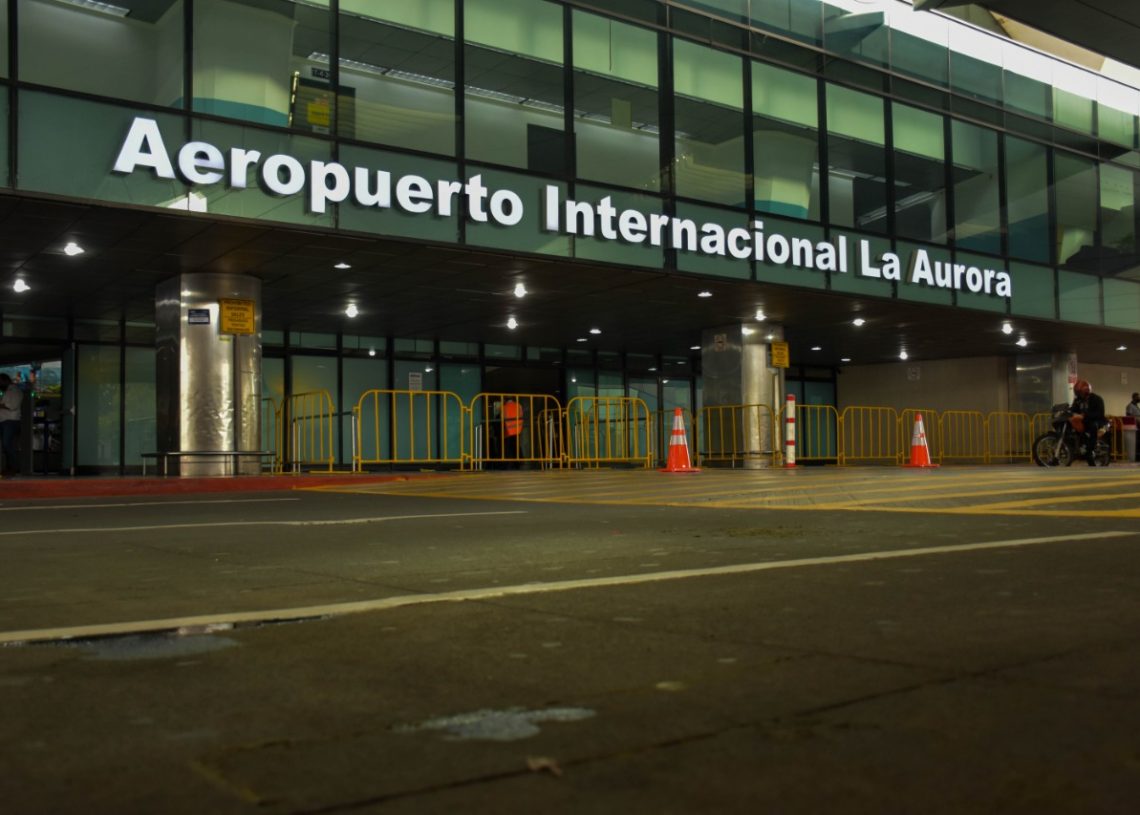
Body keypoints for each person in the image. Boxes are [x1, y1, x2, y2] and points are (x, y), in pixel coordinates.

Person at [1070, 379, 1106, 466]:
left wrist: (1084, 416)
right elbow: (1073, 410)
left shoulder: (1096, 399)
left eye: (1080, 393)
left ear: (1086, 391)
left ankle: (1090, 450)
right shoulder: (1078, 400)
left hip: (1097, 421)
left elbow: (1099, 413)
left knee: (1093, 426)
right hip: (1084, 421)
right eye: (1077, 393)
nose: (1078, 395)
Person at [0, 373, 22, 476]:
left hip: (11, 421)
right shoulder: (8, 391)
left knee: (7, 444)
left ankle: (14, 466)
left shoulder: (14, 391)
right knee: (6, 444)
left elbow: (12, 406)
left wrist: (1, 405)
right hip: (5, 421)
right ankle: (10, 466)